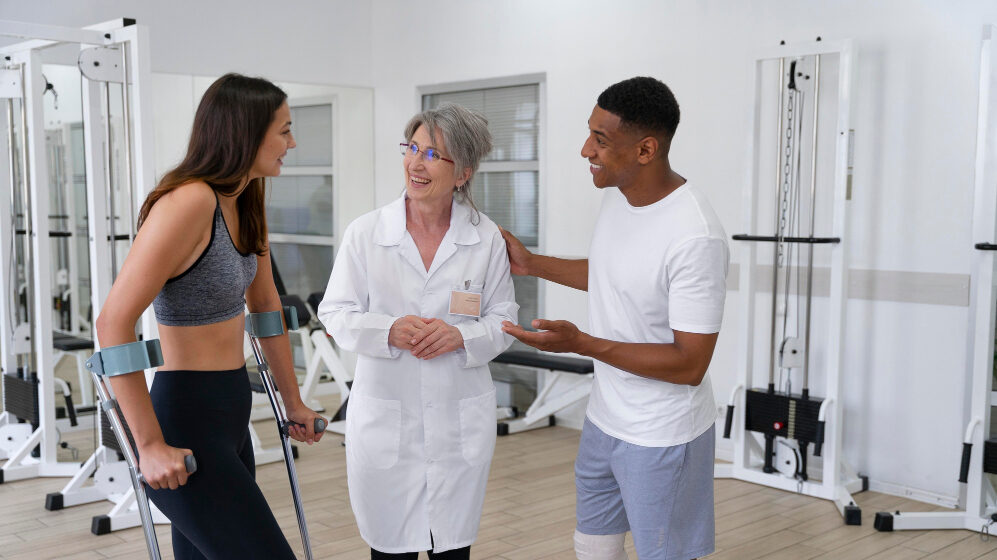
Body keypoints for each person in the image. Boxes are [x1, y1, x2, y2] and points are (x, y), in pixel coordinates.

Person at [95, 73, 326, 560]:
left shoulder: (246, 198)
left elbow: (266, 308)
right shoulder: (189, 202)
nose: (292, 143)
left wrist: (293, 402)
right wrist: (149, 445)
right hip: (186, 419)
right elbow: (113, 323)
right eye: (284, 131)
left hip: (232, 409)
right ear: (247, 133)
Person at [500, 76, 728, 560]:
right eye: (590, 133)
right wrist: (532, 264)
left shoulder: (694, 236)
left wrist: (583, 344)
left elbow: (690, 364)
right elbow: (613, 275)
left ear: (646, 150)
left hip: (663, 435)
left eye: (600, 140)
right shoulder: (618, 196)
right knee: (593, 547)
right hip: (605, 417)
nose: (586, 150)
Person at [318, 103, 517, 560]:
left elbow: (504, 319)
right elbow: (336, 312)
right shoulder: (367, 233)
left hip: (457, 420)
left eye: (432, 154)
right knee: (391, 549)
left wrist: (461, 337)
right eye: (412, 148)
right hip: (388, 418)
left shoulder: (485, 237)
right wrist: (387, 330)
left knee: (453, 549)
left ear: (463, 172)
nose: (415, 163)